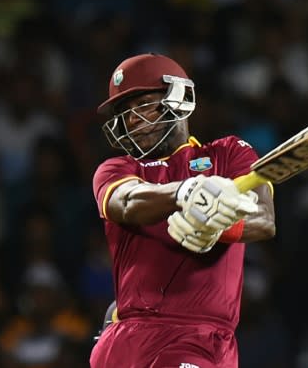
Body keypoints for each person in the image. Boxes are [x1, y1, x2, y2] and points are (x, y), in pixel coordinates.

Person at [90, 54, 276, 368]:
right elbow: (127, 201)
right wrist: (183, 191)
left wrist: (218, 227)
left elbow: (265, 220)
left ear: (178, 97)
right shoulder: (117, 168)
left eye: (142, 105)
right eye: (124, 113)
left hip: (198, 338)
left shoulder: (229, 153)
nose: (132, 120)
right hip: (130, 339)